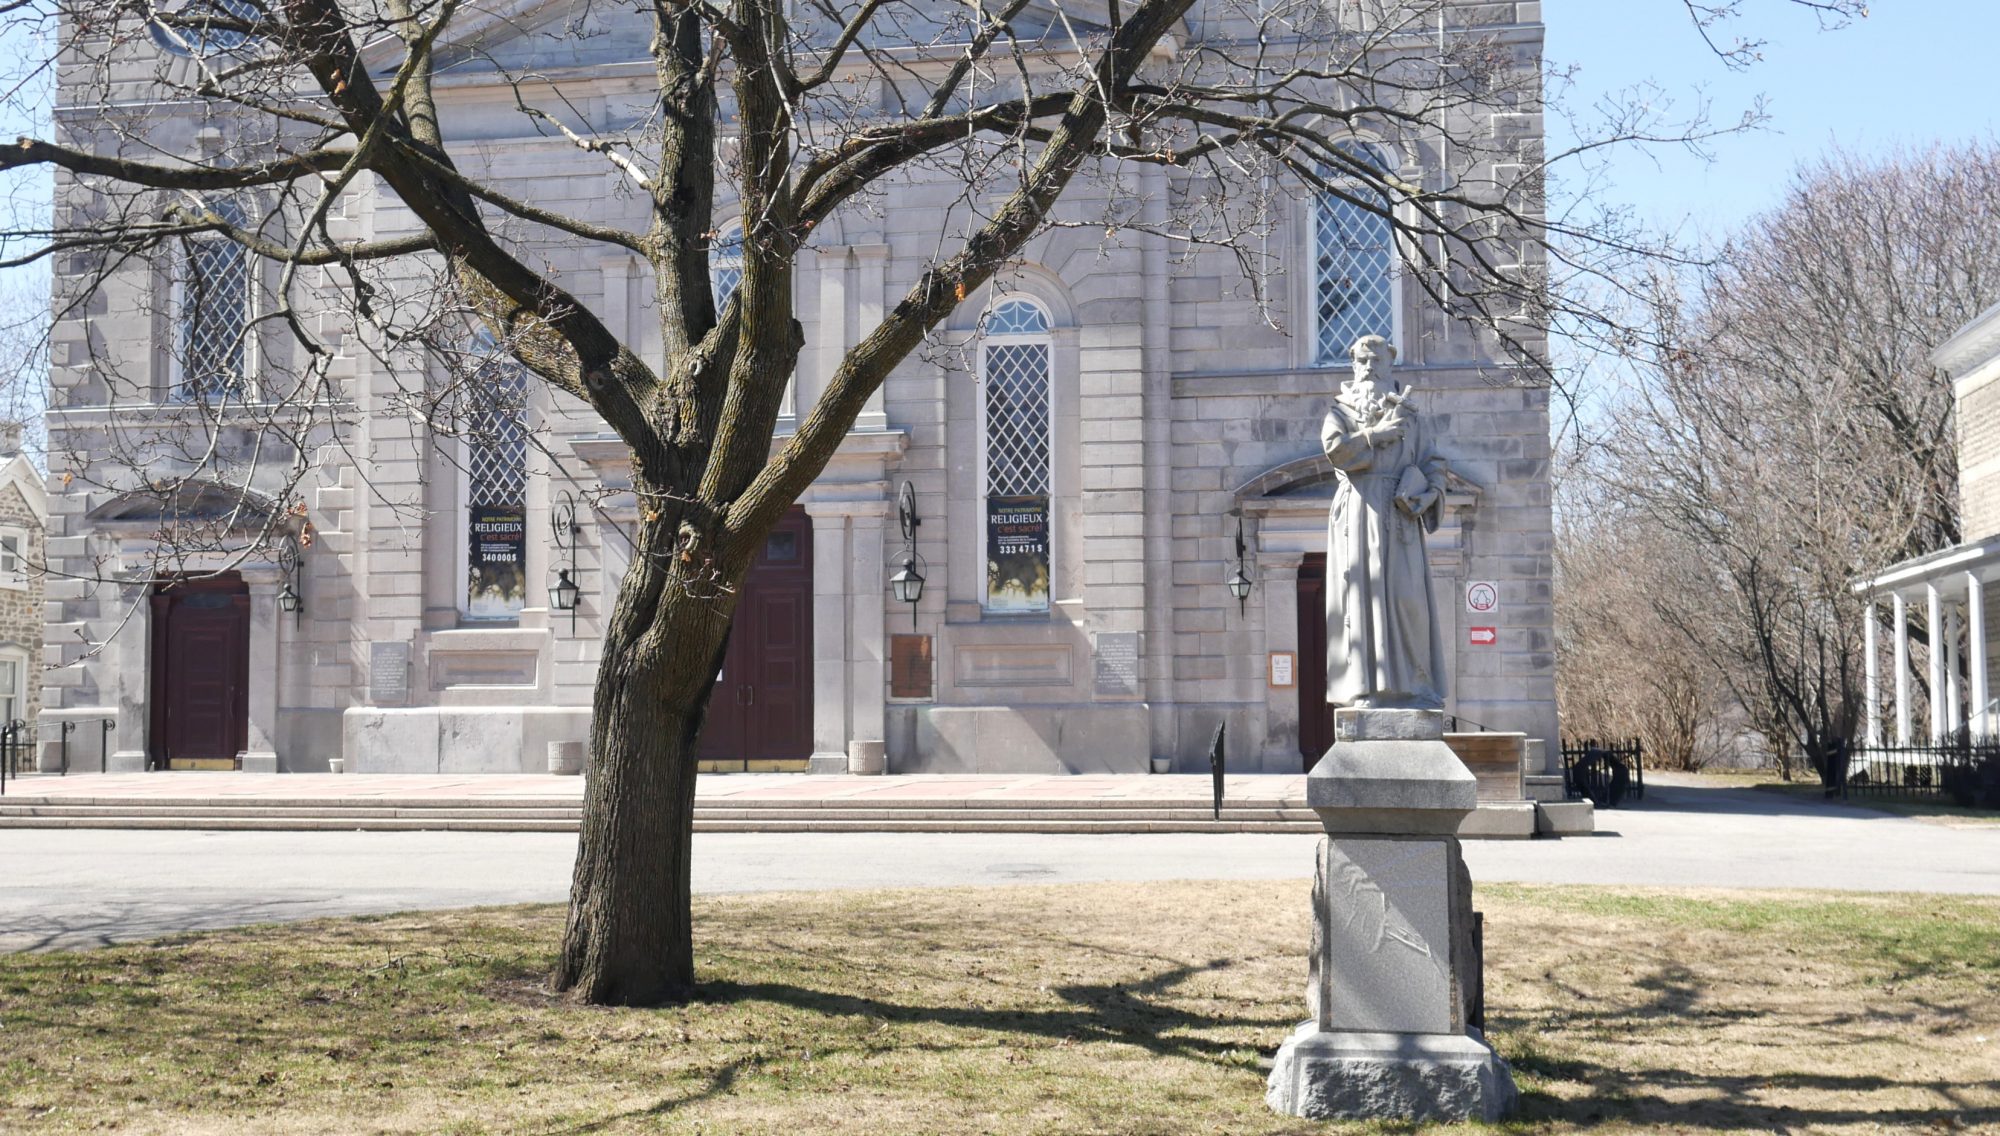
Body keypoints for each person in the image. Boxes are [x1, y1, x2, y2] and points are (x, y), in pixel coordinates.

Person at [1321, 335, 1449, 709]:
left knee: (1409, 599)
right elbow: (1335, 450)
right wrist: (1375, 436)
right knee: (1364, 597)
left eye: (1376, 359)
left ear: (1390, 365)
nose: (1368, 366)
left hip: (1400, 516)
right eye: (1361, 360)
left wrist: (1426, 494)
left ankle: (1416, 686)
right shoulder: (1340, 412)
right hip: (1359, 514)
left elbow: (1434, 464)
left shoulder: (1412, 417)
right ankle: (1367, 688)